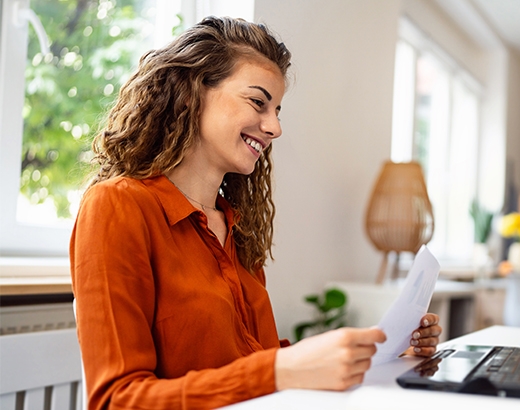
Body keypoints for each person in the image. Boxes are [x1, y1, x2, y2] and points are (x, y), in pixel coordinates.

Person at [70, 16, 442, 410]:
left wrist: (371, 353)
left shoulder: (235, 226)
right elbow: (115, 400)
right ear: (191, 93)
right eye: (258, 102)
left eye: (277, 109)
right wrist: (280, 370)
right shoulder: (116, 207)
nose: (275, 127)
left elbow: (254, 361)